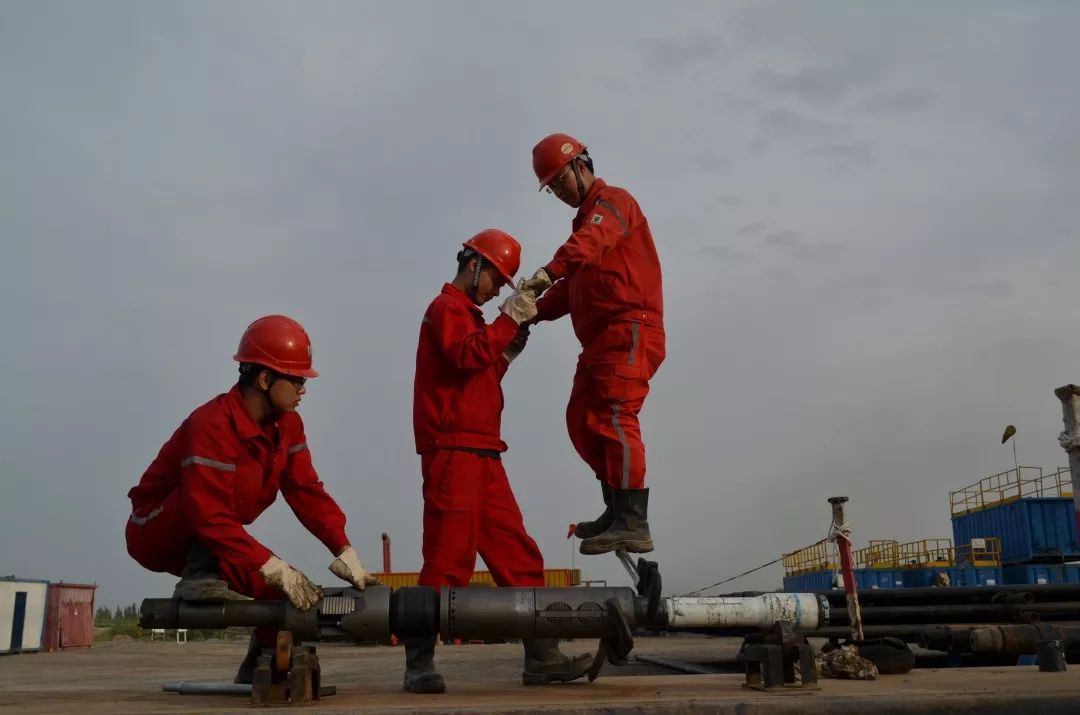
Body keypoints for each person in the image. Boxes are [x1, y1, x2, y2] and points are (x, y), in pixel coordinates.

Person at [125, 315, 378, 683]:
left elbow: (306, 489)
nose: (303, 389)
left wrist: (343, 550)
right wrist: (276, 566)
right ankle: (198, 574)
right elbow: (207, 516)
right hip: (159, 529)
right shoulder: (211, 425)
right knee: (212, 512)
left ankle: (260, 668)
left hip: (218, 537)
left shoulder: (287, 425)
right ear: (264, 379)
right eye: (296, 379)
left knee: (282, 596)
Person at [407, 229, 593, 693]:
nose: (496, 290)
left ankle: (543, 658)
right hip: (452, 451)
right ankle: (418, 663)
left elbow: (480, 375)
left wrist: (507, 347)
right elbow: (469, 357)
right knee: (448, 560)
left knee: (518, 554)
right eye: (496, 278)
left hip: (484, 451)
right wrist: (506, 323)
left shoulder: (468, 318)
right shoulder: (445, 310)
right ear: (474, 265)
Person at [519, 133, 666, 556]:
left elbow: (585, 249)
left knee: (614, 415)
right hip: (602, 338)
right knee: (583, 417)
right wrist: (534, 310)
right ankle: (616, 507)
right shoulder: (586, 228)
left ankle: (633, 522)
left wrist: (546, 272)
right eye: (552, 188)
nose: (560, 192)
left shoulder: (612, 205)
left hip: (629, 328)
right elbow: (573, 291)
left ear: (581, 165)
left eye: (560, 181)